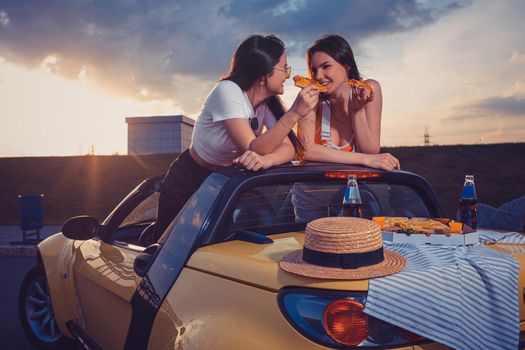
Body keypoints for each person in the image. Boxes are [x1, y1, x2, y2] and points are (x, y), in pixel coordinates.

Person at [154, 34, 319, 239]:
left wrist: (267, 161)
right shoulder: (227, 91)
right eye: (284, 68)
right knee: (167, 245)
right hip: (190, 176)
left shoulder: (267, 104)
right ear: (264, 72)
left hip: (223, 180)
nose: (287, 75)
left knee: (213, 244)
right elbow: (254, 147)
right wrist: (294, 113)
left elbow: (288, 148)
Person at [298, 35, 400, 171]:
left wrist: (357, 111)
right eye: (315, 70)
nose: (317, 76)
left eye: (326, 66)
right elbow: (306, 150)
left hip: (353, 186)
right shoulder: (311, 96)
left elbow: (371, 151)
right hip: (313, 188)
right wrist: (365, 159)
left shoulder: (368, 89)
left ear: (346, 65)